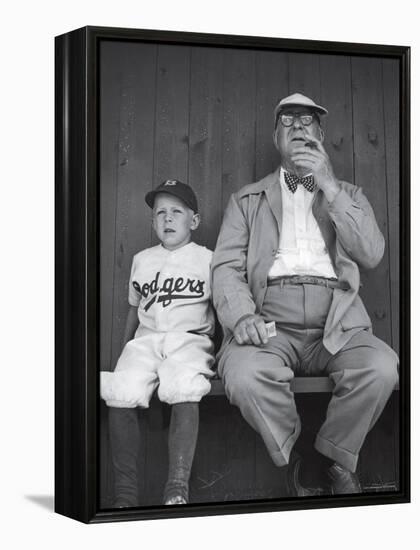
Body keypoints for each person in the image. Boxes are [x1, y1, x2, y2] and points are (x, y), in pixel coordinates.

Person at [211, 92, 399, 496]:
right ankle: (301, 456)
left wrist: (330, 186)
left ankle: (329, 459)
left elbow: (372, 253)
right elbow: (225, 267)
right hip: (269, 322)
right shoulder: (247, 200)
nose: (298, 127)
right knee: (243, 376)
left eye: (307, 121)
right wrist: (242, 317)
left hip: (337, 320)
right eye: (288, 121)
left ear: (321, 134)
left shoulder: (348, 194)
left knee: (381, 368)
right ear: (276, 138)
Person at [101, 180, 215, 507]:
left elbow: (221, 308)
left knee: (183, 385)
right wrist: (125, 350)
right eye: (160, 213)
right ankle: (125, 495)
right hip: (147, 341)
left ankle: (176, 488)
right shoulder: (142, 260)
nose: (167, 219)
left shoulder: (208, 259)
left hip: (189, 340)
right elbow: (134, 310)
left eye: (176, 212)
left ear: (193, 221)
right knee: (120, 388)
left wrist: (221, 353)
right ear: (152, 222)